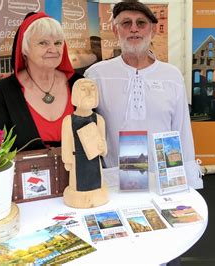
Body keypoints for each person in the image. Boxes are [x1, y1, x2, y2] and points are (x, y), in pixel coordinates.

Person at [84, 0, 203, 190]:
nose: (134, 29)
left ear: (153, 30)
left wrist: (189, 181)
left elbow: (182, 131)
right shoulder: (97, 75)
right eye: (126, 23)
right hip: (113, 182)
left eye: (141, 23)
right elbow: (87, 130)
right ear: (116, 31)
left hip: (164, 182)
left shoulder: (171, 75)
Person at [0, 12, 82, 151]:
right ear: (24, 49)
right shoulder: (3, 92)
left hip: (78, 173)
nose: (53, 49)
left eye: (58, 43)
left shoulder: (79, 85)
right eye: (43, 43)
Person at [61, 78, 108, 208]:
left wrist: (102, 147)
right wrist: (68, 161)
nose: (88, 92)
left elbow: (104, 147)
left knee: (96, 181)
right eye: (83, 89)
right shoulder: (68, 121)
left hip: (94, 162)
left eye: (92, 89)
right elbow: (66, 144)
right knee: (78, 184)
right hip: (77, 161)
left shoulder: (99, 120)